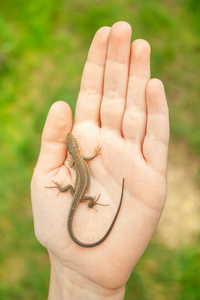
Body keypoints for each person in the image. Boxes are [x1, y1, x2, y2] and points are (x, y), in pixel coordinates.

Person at [31, 21, 169, 299]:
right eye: (73, 145)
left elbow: (82, 160)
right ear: (74, 150)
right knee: (81, 197)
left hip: (79, 193)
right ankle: (93, 206)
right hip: (81, 193)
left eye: (72, 144)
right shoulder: (79, 156)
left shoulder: (75, 159)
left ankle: (87, 205)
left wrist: (67, 181)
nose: (73, 144)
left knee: (75, 193)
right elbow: (87, 156)